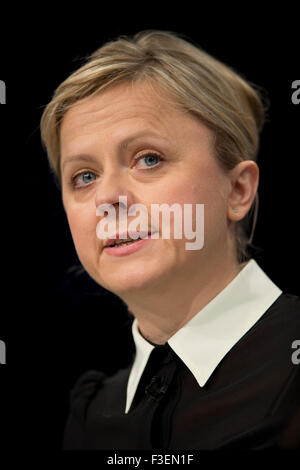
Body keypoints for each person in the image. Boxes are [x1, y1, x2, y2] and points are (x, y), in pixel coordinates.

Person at [40, 30, 300, 450]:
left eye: (148, 159)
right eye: (84, 177)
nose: (108, 198)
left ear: (237, 191)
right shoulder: (91, 416)